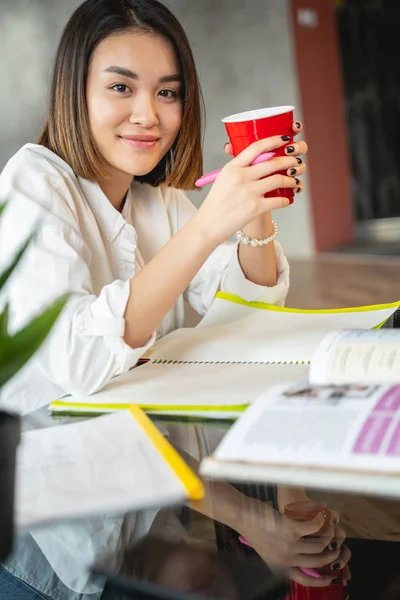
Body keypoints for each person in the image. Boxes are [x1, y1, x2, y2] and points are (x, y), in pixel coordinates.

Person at [0, 0, 349, 598]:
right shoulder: (35, 180)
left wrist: (255, 215)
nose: (148, 115)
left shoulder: (156, 201)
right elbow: (80, 360)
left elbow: (244, 314)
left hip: (149, 520)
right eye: (120, 87)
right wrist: (209, 226)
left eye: (168, 92)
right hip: (49, 542)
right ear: (72, 92)